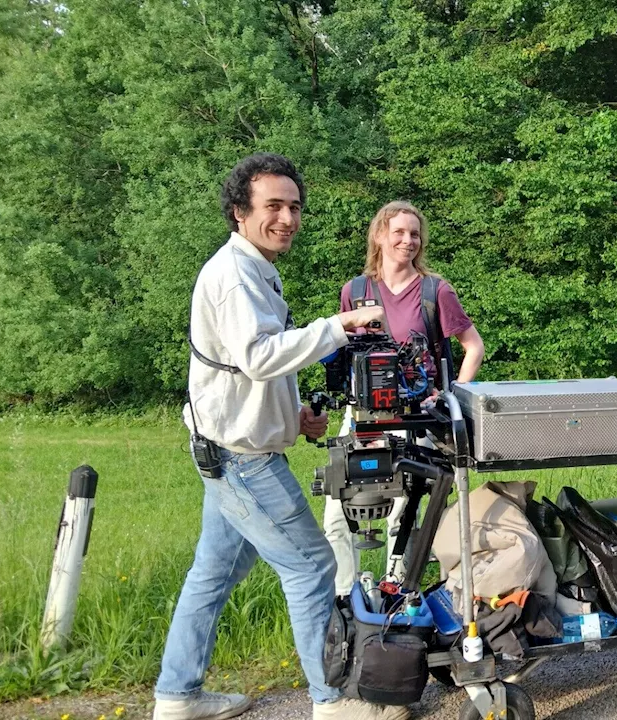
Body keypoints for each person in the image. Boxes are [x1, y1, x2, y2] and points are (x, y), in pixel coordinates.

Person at [155, 152, 406, 720]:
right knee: (311, 566)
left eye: (293, 207)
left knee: (213, 573)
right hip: (241, 459)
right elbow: (258, 355)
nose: (287, 218)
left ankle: (178, 696)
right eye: (273, 206)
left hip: (230, 448)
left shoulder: (254, 270)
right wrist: (338, 327)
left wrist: (294, 413)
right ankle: (333, 700)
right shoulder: (233, 273)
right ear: (240, 212)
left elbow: (239, 365)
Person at [322, 200, 484, 595]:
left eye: (414, 234)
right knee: (337, 514)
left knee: (402, 511)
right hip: (361, 416)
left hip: (413, 417)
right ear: (380, 236)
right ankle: (346, 598)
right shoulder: (355, 291)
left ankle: (399, 591)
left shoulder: (434, 290)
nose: (407, 241)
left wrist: (448, 398)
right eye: (398, 232)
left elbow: (473, 347)